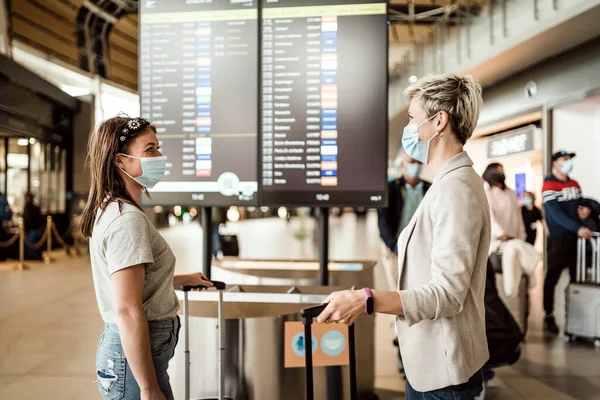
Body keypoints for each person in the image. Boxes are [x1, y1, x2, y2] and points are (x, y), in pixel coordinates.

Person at [316, 74, 489, 399]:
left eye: (412, 118)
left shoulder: (457, 189)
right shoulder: (446, 183)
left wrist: (366, 299)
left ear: (438, 121)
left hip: (444, 374)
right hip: (428, 365)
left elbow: (449, 294)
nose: (409, 129)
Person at [80, 115, 213, 400]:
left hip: (131, 358)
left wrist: (178, 279)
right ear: (119, 161)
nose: (159, 156)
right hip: (133, 364)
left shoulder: (111, 208)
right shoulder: (126, 220)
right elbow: (128, 309)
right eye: (150, 149)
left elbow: (130, 281)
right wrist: (149, 388)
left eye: (158, 148)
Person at [377, 149, 431, 377]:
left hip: (424, 252)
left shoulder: (430, 189)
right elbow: (382, 221)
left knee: (420, 296)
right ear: (402, 166)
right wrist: (393, 245)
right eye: (411, 162)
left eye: (418, 162)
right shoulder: (391, 189)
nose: (415, 166)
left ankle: (421, 344)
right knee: (400, 297)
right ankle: (403, 350)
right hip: (395, 251)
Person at [541, 150, 593, 334]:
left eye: (569, 159)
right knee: (552, 278)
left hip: (576, 239)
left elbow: (580, 205)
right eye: (564, 159)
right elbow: (555, 214)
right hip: (559, 239)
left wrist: (586, 211)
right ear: (555, 163)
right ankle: (548, 314)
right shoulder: (549, 185)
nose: (568, 162)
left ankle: (574, 315)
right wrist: (577, 228)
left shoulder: (574, 184)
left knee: (576, 278)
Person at [482, 163, 526, 244]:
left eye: (502, 171)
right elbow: (489, 217)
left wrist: (521, 236)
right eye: (499, 171)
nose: (502, 174)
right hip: (496, 241)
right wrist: (500, 233)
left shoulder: (511, 193)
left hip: (513, 239)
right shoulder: (487, 193)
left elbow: (518, 216)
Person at [23, 193, 44, 260]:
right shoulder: (35, 207)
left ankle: (33, 256)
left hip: (32, 230)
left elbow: (28, 219)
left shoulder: (28, 208)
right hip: (35, 229)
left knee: (31, 245)